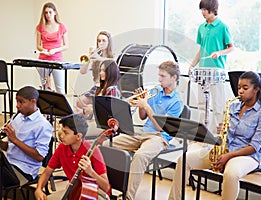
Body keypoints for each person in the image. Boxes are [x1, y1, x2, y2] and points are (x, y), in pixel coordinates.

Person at [168, 71, 261, 200]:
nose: (240, 91)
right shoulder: (233, 106)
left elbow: (254, 147)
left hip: (247, 156)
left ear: (256, 89)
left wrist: (228, 156)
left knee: (231, 174)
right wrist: (222, 131)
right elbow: (224, 134)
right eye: (239, 87)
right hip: (224, 150)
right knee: (184, 160)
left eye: (245, 88)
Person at [101, 60, 183, 200]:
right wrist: (141, 102)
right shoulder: (157, 92)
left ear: (174, 78)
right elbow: (143, 116)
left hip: (160, 137)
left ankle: (127, 197)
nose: (159, 79)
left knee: (140, 156)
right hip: (143, 132)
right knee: (107, 145)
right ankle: (107, 188)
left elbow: (162, 127)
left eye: (163, 76)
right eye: (159, 75)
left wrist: (145, 105)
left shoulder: (177, 101)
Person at [34, 114, 110, 200]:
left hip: (95, 193)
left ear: (78, 136)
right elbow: (47, 172)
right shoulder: (62, 147)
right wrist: (39, 189)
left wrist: (91, 172)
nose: (61, 136)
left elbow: (106, 187)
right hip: (75, 191)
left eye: (66, 133)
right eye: (62, 131)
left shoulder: (93, 151)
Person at [188, 0, 234, 133]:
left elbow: (231, 48)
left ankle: (216, 135)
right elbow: (201, 49)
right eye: (201, 9)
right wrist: (192, 65)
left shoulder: (222, 27)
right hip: (202, 70)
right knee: (202, 104)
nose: (202, 12)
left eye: (205, 9)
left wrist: (219, 53)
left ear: (212, 9)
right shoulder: (201, 28)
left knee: (218, 105)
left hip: (217, 71)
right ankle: (203, 134)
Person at [0, 86, 52, 186]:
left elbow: (39, 156)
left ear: (33, 102)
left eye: (21, 102)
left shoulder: (43, 125)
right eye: (17, 101)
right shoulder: (17, 117)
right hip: (8, 164)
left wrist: (14, 140)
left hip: (24, 171)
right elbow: (11, 148)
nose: (17, 106)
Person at [36, 2, 68, 94]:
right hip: (43, 59)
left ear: (55, 13)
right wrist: (44, 50)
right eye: (46, 13)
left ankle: (62, 108)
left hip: (57, 59)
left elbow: (66, 46)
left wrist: (55, 50)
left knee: (60, 89)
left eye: (50, 12)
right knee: (44, 88)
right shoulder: (40, 27)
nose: (48, 15)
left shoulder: (62, 27)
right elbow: (38, 46)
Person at [78, 30, 114, 109]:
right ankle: (90, 113)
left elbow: (111, 64)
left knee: (97, 104)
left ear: (109, 42)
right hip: (97, 87)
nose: (101, 43)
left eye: (104, 41)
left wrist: (99, 58)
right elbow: (82, 72)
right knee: (79, 101)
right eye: (99, 41)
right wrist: (89, 59)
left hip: (108, 88)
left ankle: (93, 112)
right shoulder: (96, 57)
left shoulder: (113, 57)